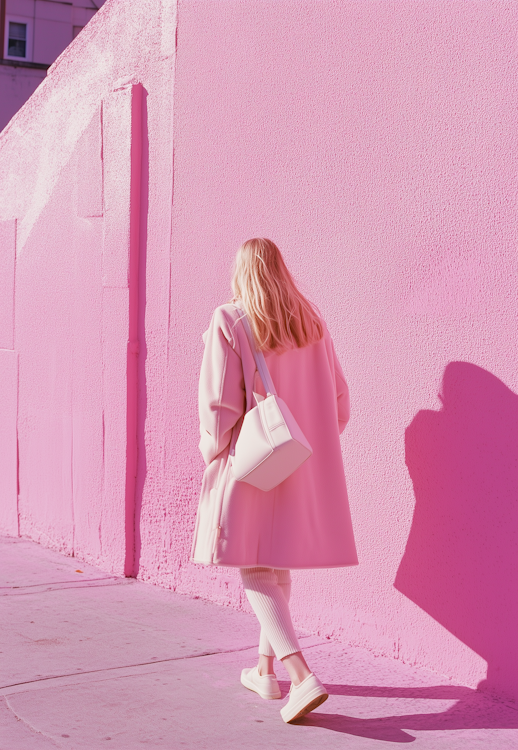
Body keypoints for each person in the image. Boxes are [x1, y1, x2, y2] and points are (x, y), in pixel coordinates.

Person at [192, 238, 358, 723]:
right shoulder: (313, 324)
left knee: (253, 563)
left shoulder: (230, 320)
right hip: (300, 459)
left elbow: (219, 408)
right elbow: (340, 403)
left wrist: (212, 451)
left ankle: (300, 674)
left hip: (253, 458)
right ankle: (264, 669)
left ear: (241, 272)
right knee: (275, 559)